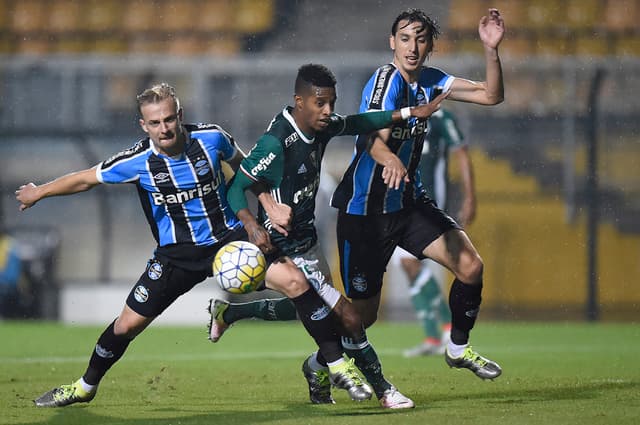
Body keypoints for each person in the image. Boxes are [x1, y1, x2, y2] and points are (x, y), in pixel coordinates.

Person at [15, 83, 366, 408]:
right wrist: (39, 192)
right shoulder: (137, 161)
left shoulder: (212, 138)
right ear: (143, 125)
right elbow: (84, 179)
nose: (164, 128)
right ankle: (84, 387)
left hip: (230, 241)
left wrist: (264, 207)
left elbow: (245, 168)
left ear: (180, 115)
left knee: (297, 282)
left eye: (169, 118)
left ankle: (335, 363)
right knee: (126, 326)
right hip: (176, 257)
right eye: (155, 122)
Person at [213, 63, 446, 408]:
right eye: (320, 104)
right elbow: (236, 187)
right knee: (349, 318)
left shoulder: (319, 126)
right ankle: (383, 390)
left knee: (311, 312)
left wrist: (410, 112)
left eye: (331, 103)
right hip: (284, 247)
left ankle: (239, 320)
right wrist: (254, 223)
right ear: (299, 101)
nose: (328, 111)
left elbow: (356, 122)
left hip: (308, 241)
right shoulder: (277, 142)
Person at [330, 8, 504, 380]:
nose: (412, 47)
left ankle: (456, 348)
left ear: (429, 46)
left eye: (420, 39)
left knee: (471, 267)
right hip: (365, 212)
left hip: (408, 204)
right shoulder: (384, 81)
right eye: (405, 38)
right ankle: (319, 363)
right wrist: (389, 157)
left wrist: (491, 50)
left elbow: (491, 95)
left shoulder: (433, 81)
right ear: (392, 42)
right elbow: (370, 138)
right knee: (362, 318)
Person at [391, 108, 476, 357]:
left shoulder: (441, 118)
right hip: (400, 200)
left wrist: (470, 198)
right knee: (408, 266)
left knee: (410, 263)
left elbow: (461, 152)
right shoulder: (402, 116)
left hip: (429, 201)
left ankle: (447, 328)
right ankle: (435, 335)